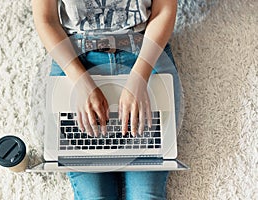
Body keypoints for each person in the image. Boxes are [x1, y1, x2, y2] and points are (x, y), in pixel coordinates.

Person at [32, 0, 181, 199]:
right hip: (76, 58)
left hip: (145, 51)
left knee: (145, 196)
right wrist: (81, 82)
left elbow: (165, 10)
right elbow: (46, 19)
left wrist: (139, 76)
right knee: (95, 196)